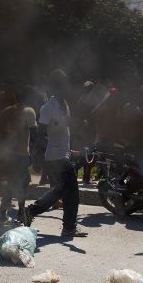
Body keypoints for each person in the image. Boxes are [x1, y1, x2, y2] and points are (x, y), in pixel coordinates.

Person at [22, 69, 87, 237]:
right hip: (54, 156)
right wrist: (38, 156)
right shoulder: (47, 108)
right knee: (70, 191)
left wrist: (71, 150)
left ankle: (32, 212)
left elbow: (66, 130)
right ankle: (67, 227)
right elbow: (41, 134)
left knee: (61, 190)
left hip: (63, 154)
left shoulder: (64, 104)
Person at [0, 87, 38, 225]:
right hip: (21, 154)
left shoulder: (8, 111)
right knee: (22, 183)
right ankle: (19, 213)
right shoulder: (29, 111)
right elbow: (34, 135)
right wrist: (33, 154)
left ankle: (3, 213)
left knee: (12, 182)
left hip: (9, 153)